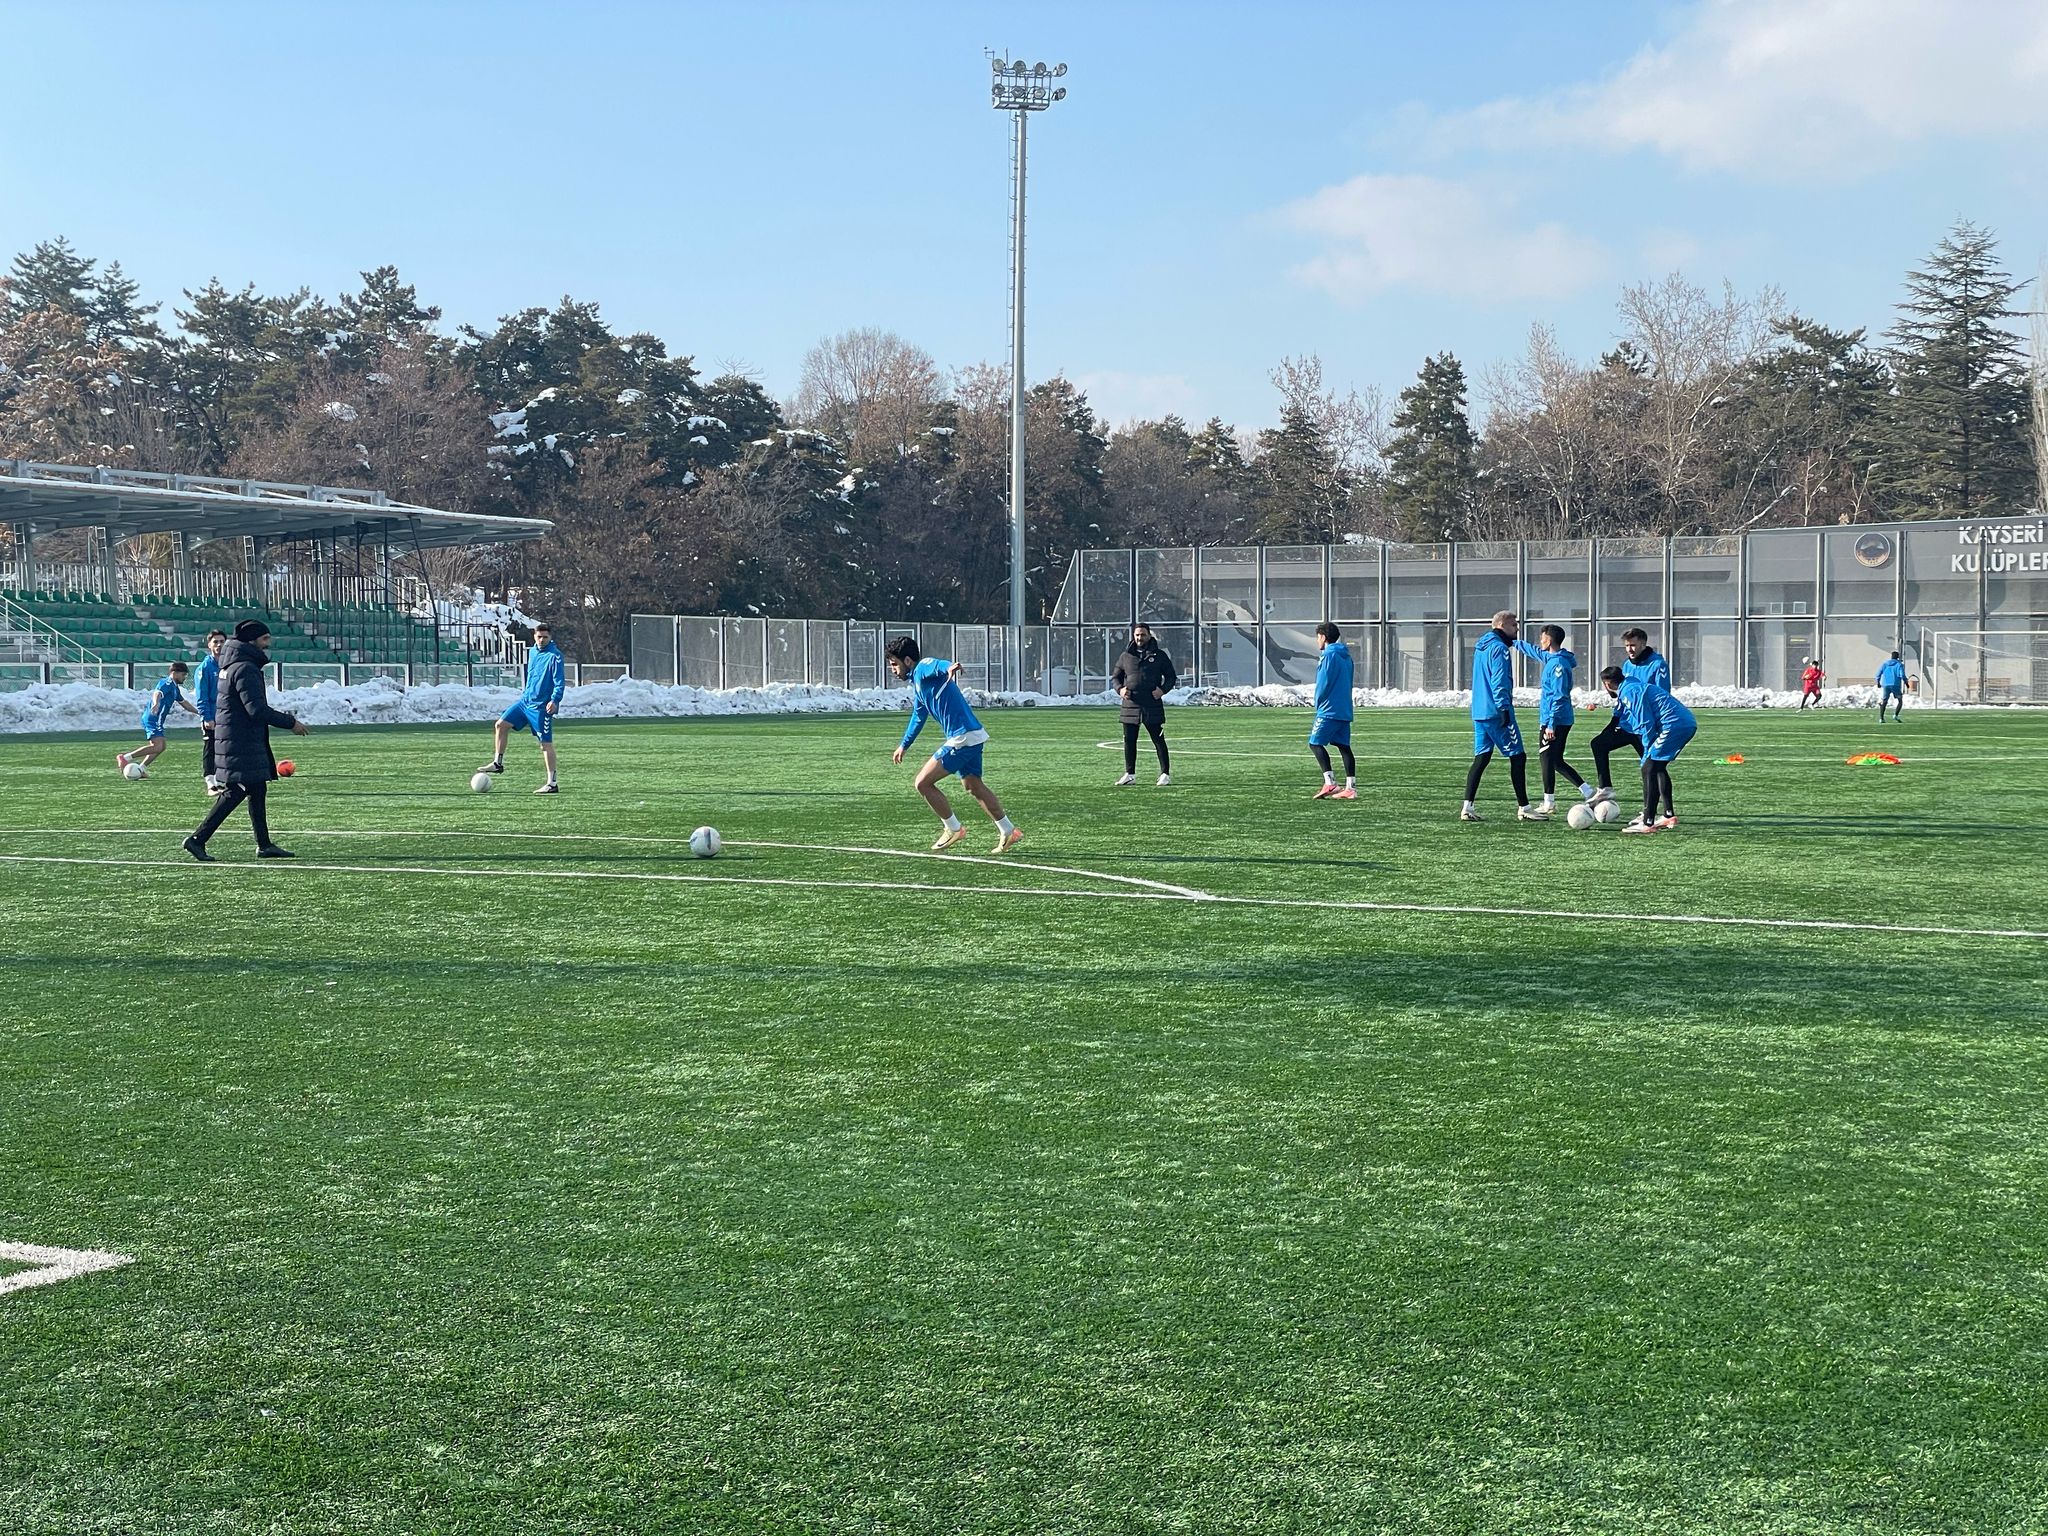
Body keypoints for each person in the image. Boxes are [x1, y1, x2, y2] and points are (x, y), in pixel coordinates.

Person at [183, 620, 308, 862]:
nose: (267, 645)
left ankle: (264, 844)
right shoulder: (245, 668)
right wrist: (290, 722)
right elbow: (257, 710)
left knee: (257, 787)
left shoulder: (232, 665)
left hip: (237, 737)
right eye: (264, 640)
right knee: (236, 790)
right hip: (240, 739)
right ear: (252, 641)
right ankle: (197, 839)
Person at [887, 634, 1021, 854]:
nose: (893, 670)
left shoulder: (922, 669)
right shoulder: (919, 685)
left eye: (895, 664)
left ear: (908, 661)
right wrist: (904, 745)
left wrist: (950, 667)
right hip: (973, 735)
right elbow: (918, 717)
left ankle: (953, 828)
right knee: (973, 785)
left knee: (922, 783)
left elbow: (937, 665)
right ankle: (1008, 831)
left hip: (963, 737)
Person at [1463, 610, 1544, 821]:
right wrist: (1504, 709)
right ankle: (1524, 808)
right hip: (1496, 711)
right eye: (1514, 625)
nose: (1517, 629)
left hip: (1480, 711)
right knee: (1518, 756)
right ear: (1502, 626)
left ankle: (1467, 807)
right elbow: (1500, 681)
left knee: (1481, 757)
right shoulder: (1499, 649)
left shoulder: (1481, 647)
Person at [1600, 664, 1697, 834]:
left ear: (1607, 684)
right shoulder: (1630, 684)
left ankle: (1647, 822)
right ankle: (1668, 815)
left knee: (1649, 768)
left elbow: (1646, 723)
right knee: (1657, 767)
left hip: (1674, 725)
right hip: (1683, 723)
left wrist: (1647, 749)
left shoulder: (1630, 692)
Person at [1518, 623, 1596, 817]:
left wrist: (1551, 723)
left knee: (1546, 759)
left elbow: (1559, 696)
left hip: (1556, 720)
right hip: (1558, 718)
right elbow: (1534, 651)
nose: (1540, 641)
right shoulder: (1552, 658)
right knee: (1555, 760)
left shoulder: (1558, 665)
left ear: (1549, 640)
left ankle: (1549, 802)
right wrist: (1513, 642)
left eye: (1543, 638)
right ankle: (1587, 791)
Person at [478, 622, 566, 793]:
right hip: (525, 702)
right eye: (539, 636)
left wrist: (554, 700)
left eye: (545, 637)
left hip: (541, 707)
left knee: (545, 744)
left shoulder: (555, 656)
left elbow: (559, 682)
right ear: (534, 636)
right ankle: (498, 763)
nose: (541, 640)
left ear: (550, 637)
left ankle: (552, 783)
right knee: (500, 725)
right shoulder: (532, 651)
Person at [1589, 627, 1669, 804]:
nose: (1629, 649)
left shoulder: (1658, 665)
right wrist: (1614, 720)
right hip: (1627, 724)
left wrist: (1658, 726)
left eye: (1633, 645)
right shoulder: (1627, 665)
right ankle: (1605, 789)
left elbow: (1664, 696)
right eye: (1627, 646)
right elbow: (1622, 696)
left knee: (1654, 767)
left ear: (1643, 643)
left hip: (1646, 727)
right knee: (1598, 744)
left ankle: (1660, 810)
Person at [1111, 622, 1177, 787]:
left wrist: (1162, 690)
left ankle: (1165, 774)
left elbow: (1171, 677)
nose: (1140, 638)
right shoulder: (1126, 656)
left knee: (1158, 739)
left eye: (1143, 635)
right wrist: (1120, 690)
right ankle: (1130, 774)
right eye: (1137, 635)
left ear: (1149, 635)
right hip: (1130, 705)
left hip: (1151, 705)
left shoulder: (1159, 655)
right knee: (1129, 740)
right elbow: (1115, 677)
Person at [117, 660, 195, 778]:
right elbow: (157, 693)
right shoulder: (167, 683)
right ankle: (125, 757)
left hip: (156, 719)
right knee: (158, 746)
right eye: (183, 675)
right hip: (153, 718)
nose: (184, 678)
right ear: (175, 673)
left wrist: (200, 713)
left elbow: (184, 703)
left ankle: (141, 768)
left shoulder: (174, 688)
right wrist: (156, 703)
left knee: (161, 747)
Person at [1308, 620, 1356, 800]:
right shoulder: (1346, 656)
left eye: (1317, 637)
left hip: (1329, 709)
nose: (1317, 641)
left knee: (1315, 743)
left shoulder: (1328, 655)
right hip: (1344, 708)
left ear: (1323, 637)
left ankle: (1330, 783)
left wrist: (1318, 701)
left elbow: (1324, 682)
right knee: (1344, 747)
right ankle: (1351, 787)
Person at [195, 629, 227, 795]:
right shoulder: (205, 668)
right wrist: (206, 716)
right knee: (210, 748)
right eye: (215, 642)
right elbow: (202, 695)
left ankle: (222, 780)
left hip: (226, 715)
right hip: (212, 715)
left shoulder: (228, 664)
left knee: (225, 748)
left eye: (222, 641)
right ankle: (210, 783)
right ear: (209, 645)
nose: (219, 645)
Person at [1876, 652, 1910, 722]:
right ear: (1898, 657)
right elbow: (1902, 675)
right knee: (1900, 700)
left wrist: (1878, 683)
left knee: (1884, 701)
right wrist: (1906, 683)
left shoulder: (1885, 664)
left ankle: (1881, 718)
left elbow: (1878, 674)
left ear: (1891, 657)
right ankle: (1895, 715)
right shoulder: (1899, 664)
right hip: (1895, 684)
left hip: (1886, 684)